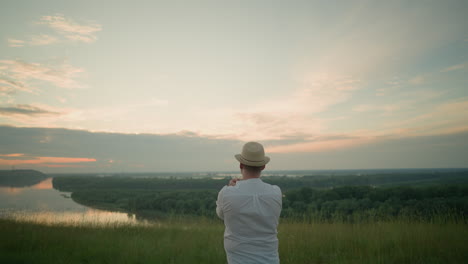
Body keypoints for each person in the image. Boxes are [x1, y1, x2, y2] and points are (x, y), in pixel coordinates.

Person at [216, 142, 282, 264]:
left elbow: (221, 215)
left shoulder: (226, 193)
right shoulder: (276, 192)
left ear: (241, 164)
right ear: (263, 167)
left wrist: (231, 188)